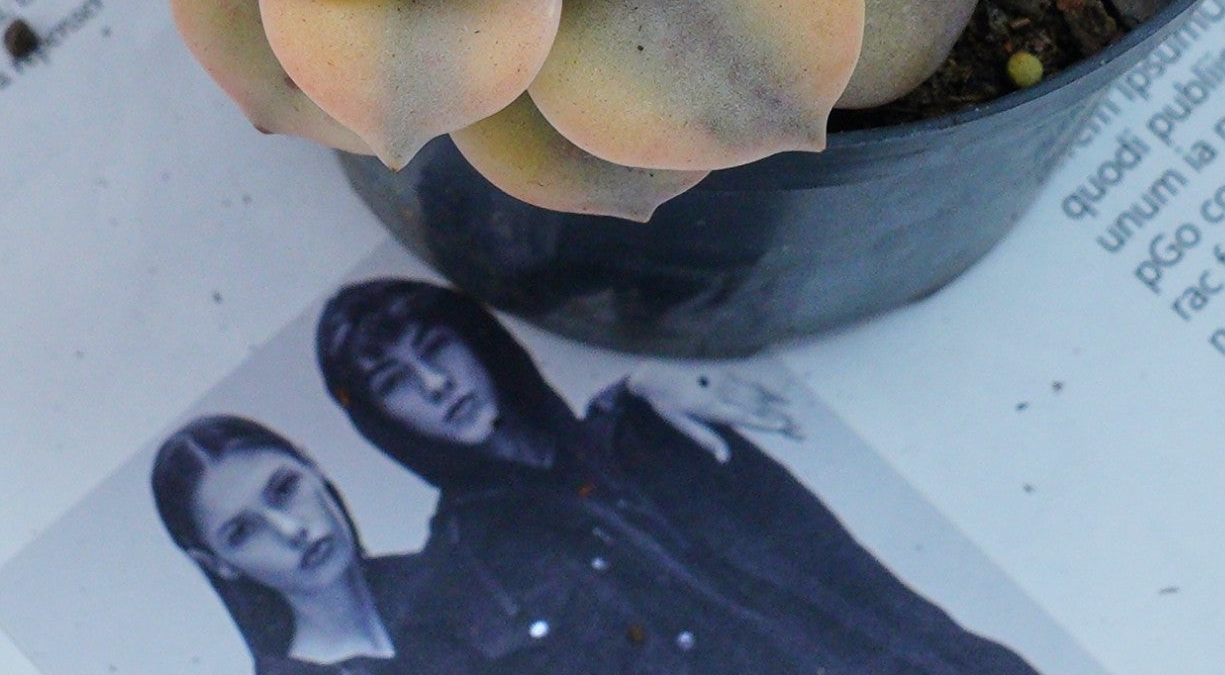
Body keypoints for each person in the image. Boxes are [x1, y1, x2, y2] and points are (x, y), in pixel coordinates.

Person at [315, 279, 1041, 675]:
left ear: (475, 342)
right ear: (380, 417)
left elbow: (852, 579)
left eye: (434, 347)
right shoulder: (460, 576)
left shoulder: (652, 426)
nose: (434, 384)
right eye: (394, 381)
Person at [151, 413, 430, 672]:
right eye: (243, 531)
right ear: (217, 563)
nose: (291, 530)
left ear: (313, 467)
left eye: (285, 488)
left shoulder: (450, 571)